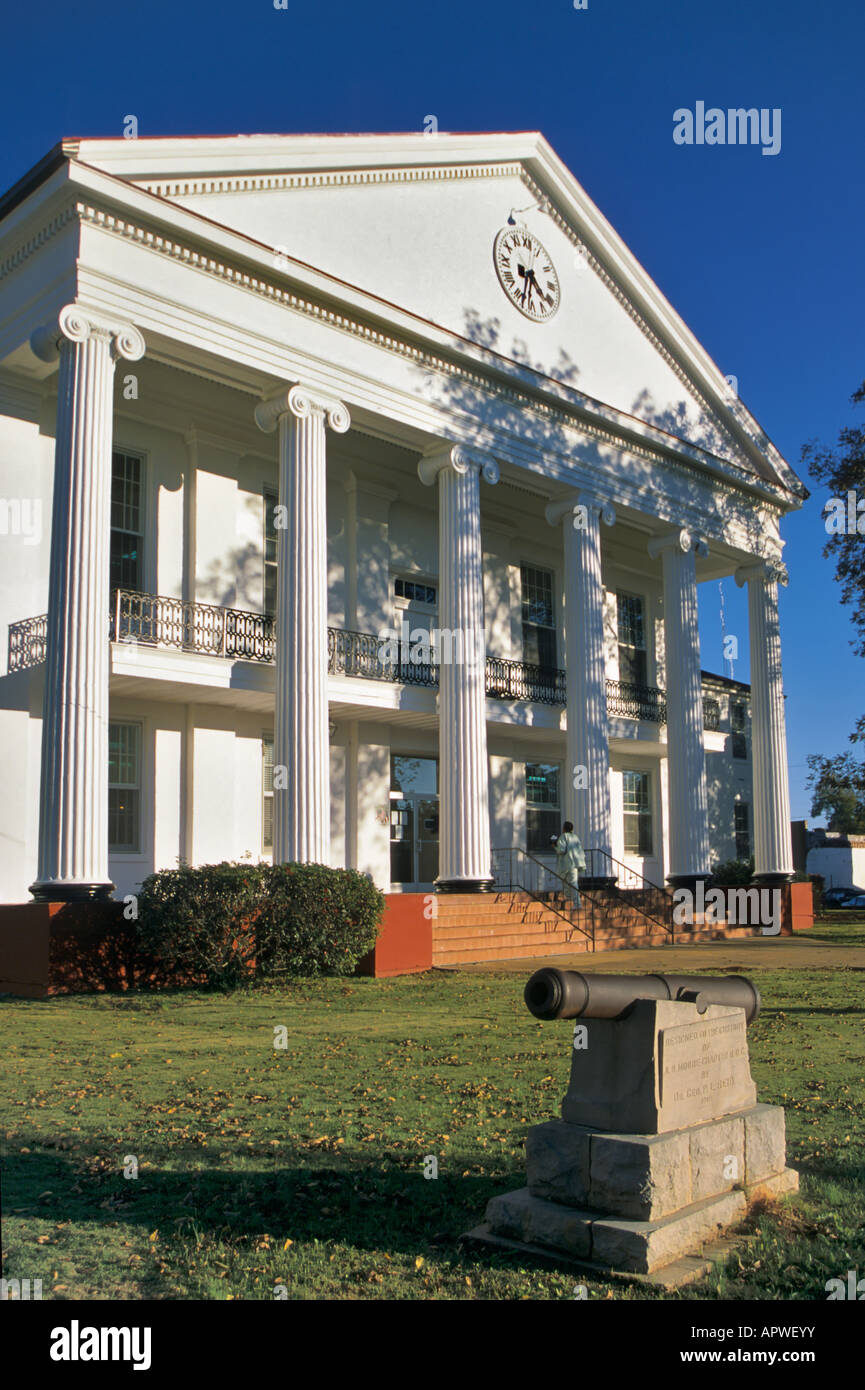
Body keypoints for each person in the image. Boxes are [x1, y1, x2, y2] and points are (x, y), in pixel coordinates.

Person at [554, 821, 585, 908]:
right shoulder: (575, 837)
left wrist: (555, 846)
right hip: (575, 863)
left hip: (567, 864)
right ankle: (572, 901)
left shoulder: (563, 837)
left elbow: (561, 850)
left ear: (564, 828)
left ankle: (577, 904)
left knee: (570, 883)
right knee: (571, 883)